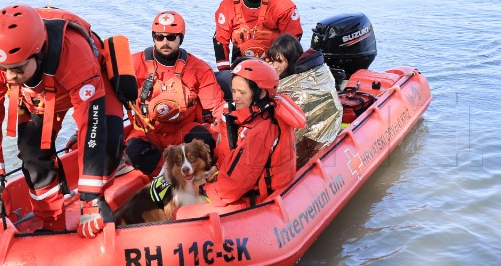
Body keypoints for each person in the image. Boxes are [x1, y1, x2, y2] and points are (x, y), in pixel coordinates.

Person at [0, 4, 134, 238]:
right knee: (32, 155)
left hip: (87, 81)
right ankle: (50, 222)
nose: (9, 78)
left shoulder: (73, 52)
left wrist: (90, 198)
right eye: (3, 70)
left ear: (38, 52)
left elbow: (91, 125)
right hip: (37, 93)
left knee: (108, 145)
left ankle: (115, 167)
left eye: (16, 69)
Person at [126, 11, 226, 175]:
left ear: (181, 38)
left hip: (183, 130)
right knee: (133, 152)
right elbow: (108, 100)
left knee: (206, 143)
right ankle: (166, 175)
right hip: (147, 132)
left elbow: (217, 108)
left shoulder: (199, 69)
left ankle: (190, 176)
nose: (165, 42)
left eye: (171, 37)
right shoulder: (133, 65)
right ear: (153, 38)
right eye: (159, 37)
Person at [203, 59, 306, 207]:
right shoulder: (254, 115)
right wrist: (218, 167)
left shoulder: (261, 129)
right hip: (243, 187)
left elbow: (234, 186)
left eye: (242, 92)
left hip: (257, 197)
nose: (235, 97)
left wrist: (203, 190)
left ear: (262, 93)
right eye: (233, 91)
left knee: (181, 211)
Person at [213, 0, 302, 100]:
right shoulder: (227, 6)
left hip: (274, 68)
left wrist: (280, 72)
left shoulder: (282, 6)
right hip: (242, 68)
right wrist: (226, 73)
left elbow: (292, 44)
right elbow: (220, 41)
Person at [265, 34, 343, 168]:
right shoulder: (295, 76)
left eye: (280, 61)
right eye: (272, 61)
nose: (275, 66)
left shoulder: (302, 83)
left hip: (315, 139)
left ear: (291, 60)